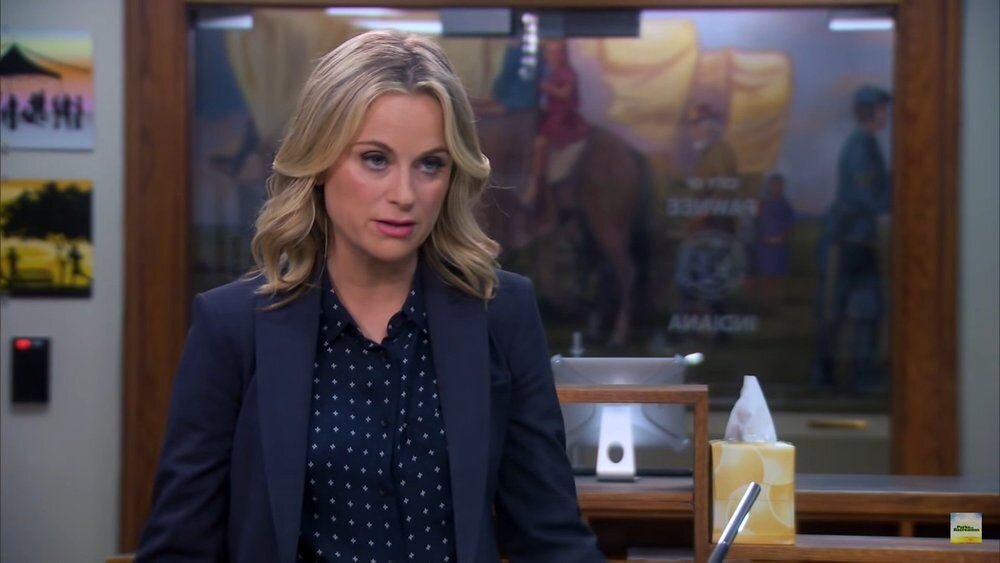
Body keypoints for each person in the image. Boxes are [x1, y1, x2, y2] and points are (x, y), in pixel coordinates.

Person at [137, 31, 604, 563]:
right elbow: (179, 550)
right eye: (376, 159)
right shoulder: (232, 327)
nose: (405, 195)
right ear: (320, 162)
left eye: (430, 164)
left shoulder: (501, 313)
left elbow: (551, 537)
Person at [813, 85, 892, 393]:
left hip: (855, 240)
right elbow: (867, 196)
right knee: (845, 311)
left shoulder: (866, 143)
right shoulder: (862, 146)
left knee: (858, 311)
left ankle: (848, 376)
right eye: (882, 109)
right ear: (869, 112)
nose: (885, 115)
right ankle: (841, 377)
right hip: (848, 242)